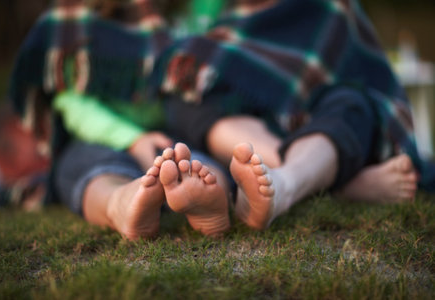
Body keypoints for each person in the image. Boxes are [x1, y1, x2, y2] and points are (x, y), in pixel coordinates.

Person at [153, 0, 435, 229]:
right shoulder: (221, 15)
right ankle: (335, 184)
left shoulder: (333, 9)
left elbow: (375, 92)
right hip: (255, 130)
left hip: (321, 130)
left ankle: (286, 184)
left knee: (352, 103)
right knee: (187, 98)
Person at [9, 0, 232, 239]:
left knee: (192, 161)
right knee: (89, 170)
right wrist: (133, 140)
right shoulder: (75, 22)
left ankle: (211, 198)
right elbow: (75, 107)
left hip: (166, 133)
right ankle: (119, 203)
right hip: (98, 138)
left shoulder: (182, 17)